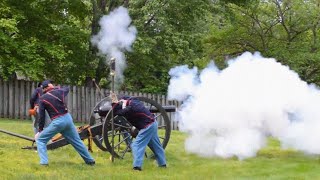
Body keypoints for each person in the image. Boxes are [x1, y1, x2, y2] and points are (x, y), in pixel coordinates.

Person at [35, 80, 95, 166]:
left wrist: (40, 131)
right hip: (68, 119)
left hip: (58, 122)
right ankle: (90, 161)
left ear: (44, 89)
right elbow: (66, 89)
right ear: (50, 86)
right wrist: (54, 87)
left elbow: (42, 116)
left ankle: (44, 163)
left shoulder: (42, 99)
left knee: (40, 140)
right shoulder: (60, 91)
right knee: (77, 141)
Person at [111, 94, 167, 171]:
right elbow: (124, 104)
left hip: (147, 126)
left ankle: (137, 167)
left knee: (136, 145)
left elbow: (118, 113)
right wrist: (117, 102)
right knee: (156, 145)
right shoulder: (132, 102)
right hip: (152, 123)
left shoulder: (131, 107)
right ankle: (162, 164)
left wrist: (115, 104)